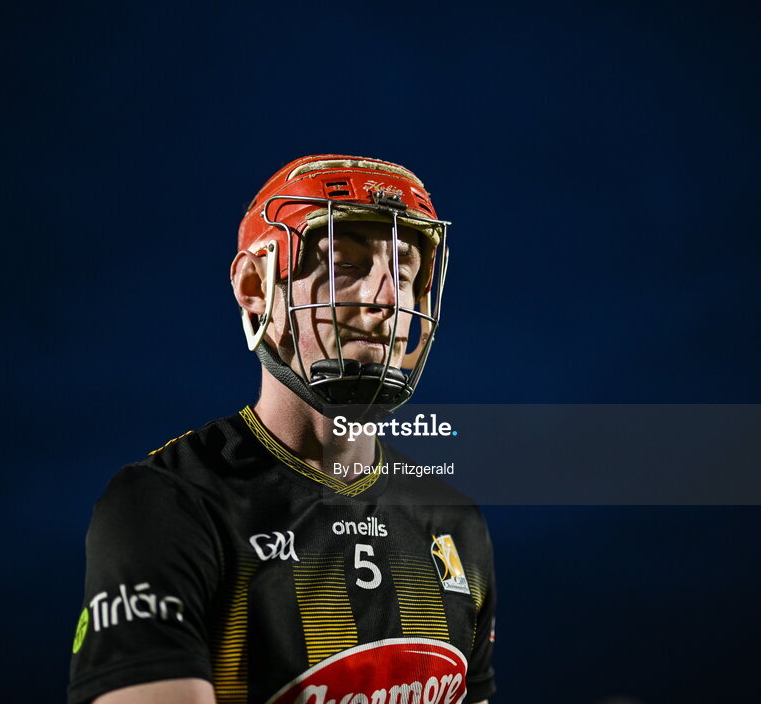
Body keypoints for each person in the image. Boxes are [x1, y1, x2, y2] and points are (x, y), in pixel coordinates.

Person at [68, 154, 496, 704]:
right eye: (345, 267)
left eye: (405, 274)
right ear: (254, 286)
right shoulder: (167, 503)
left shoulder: (457, 521)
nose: (387, 299)